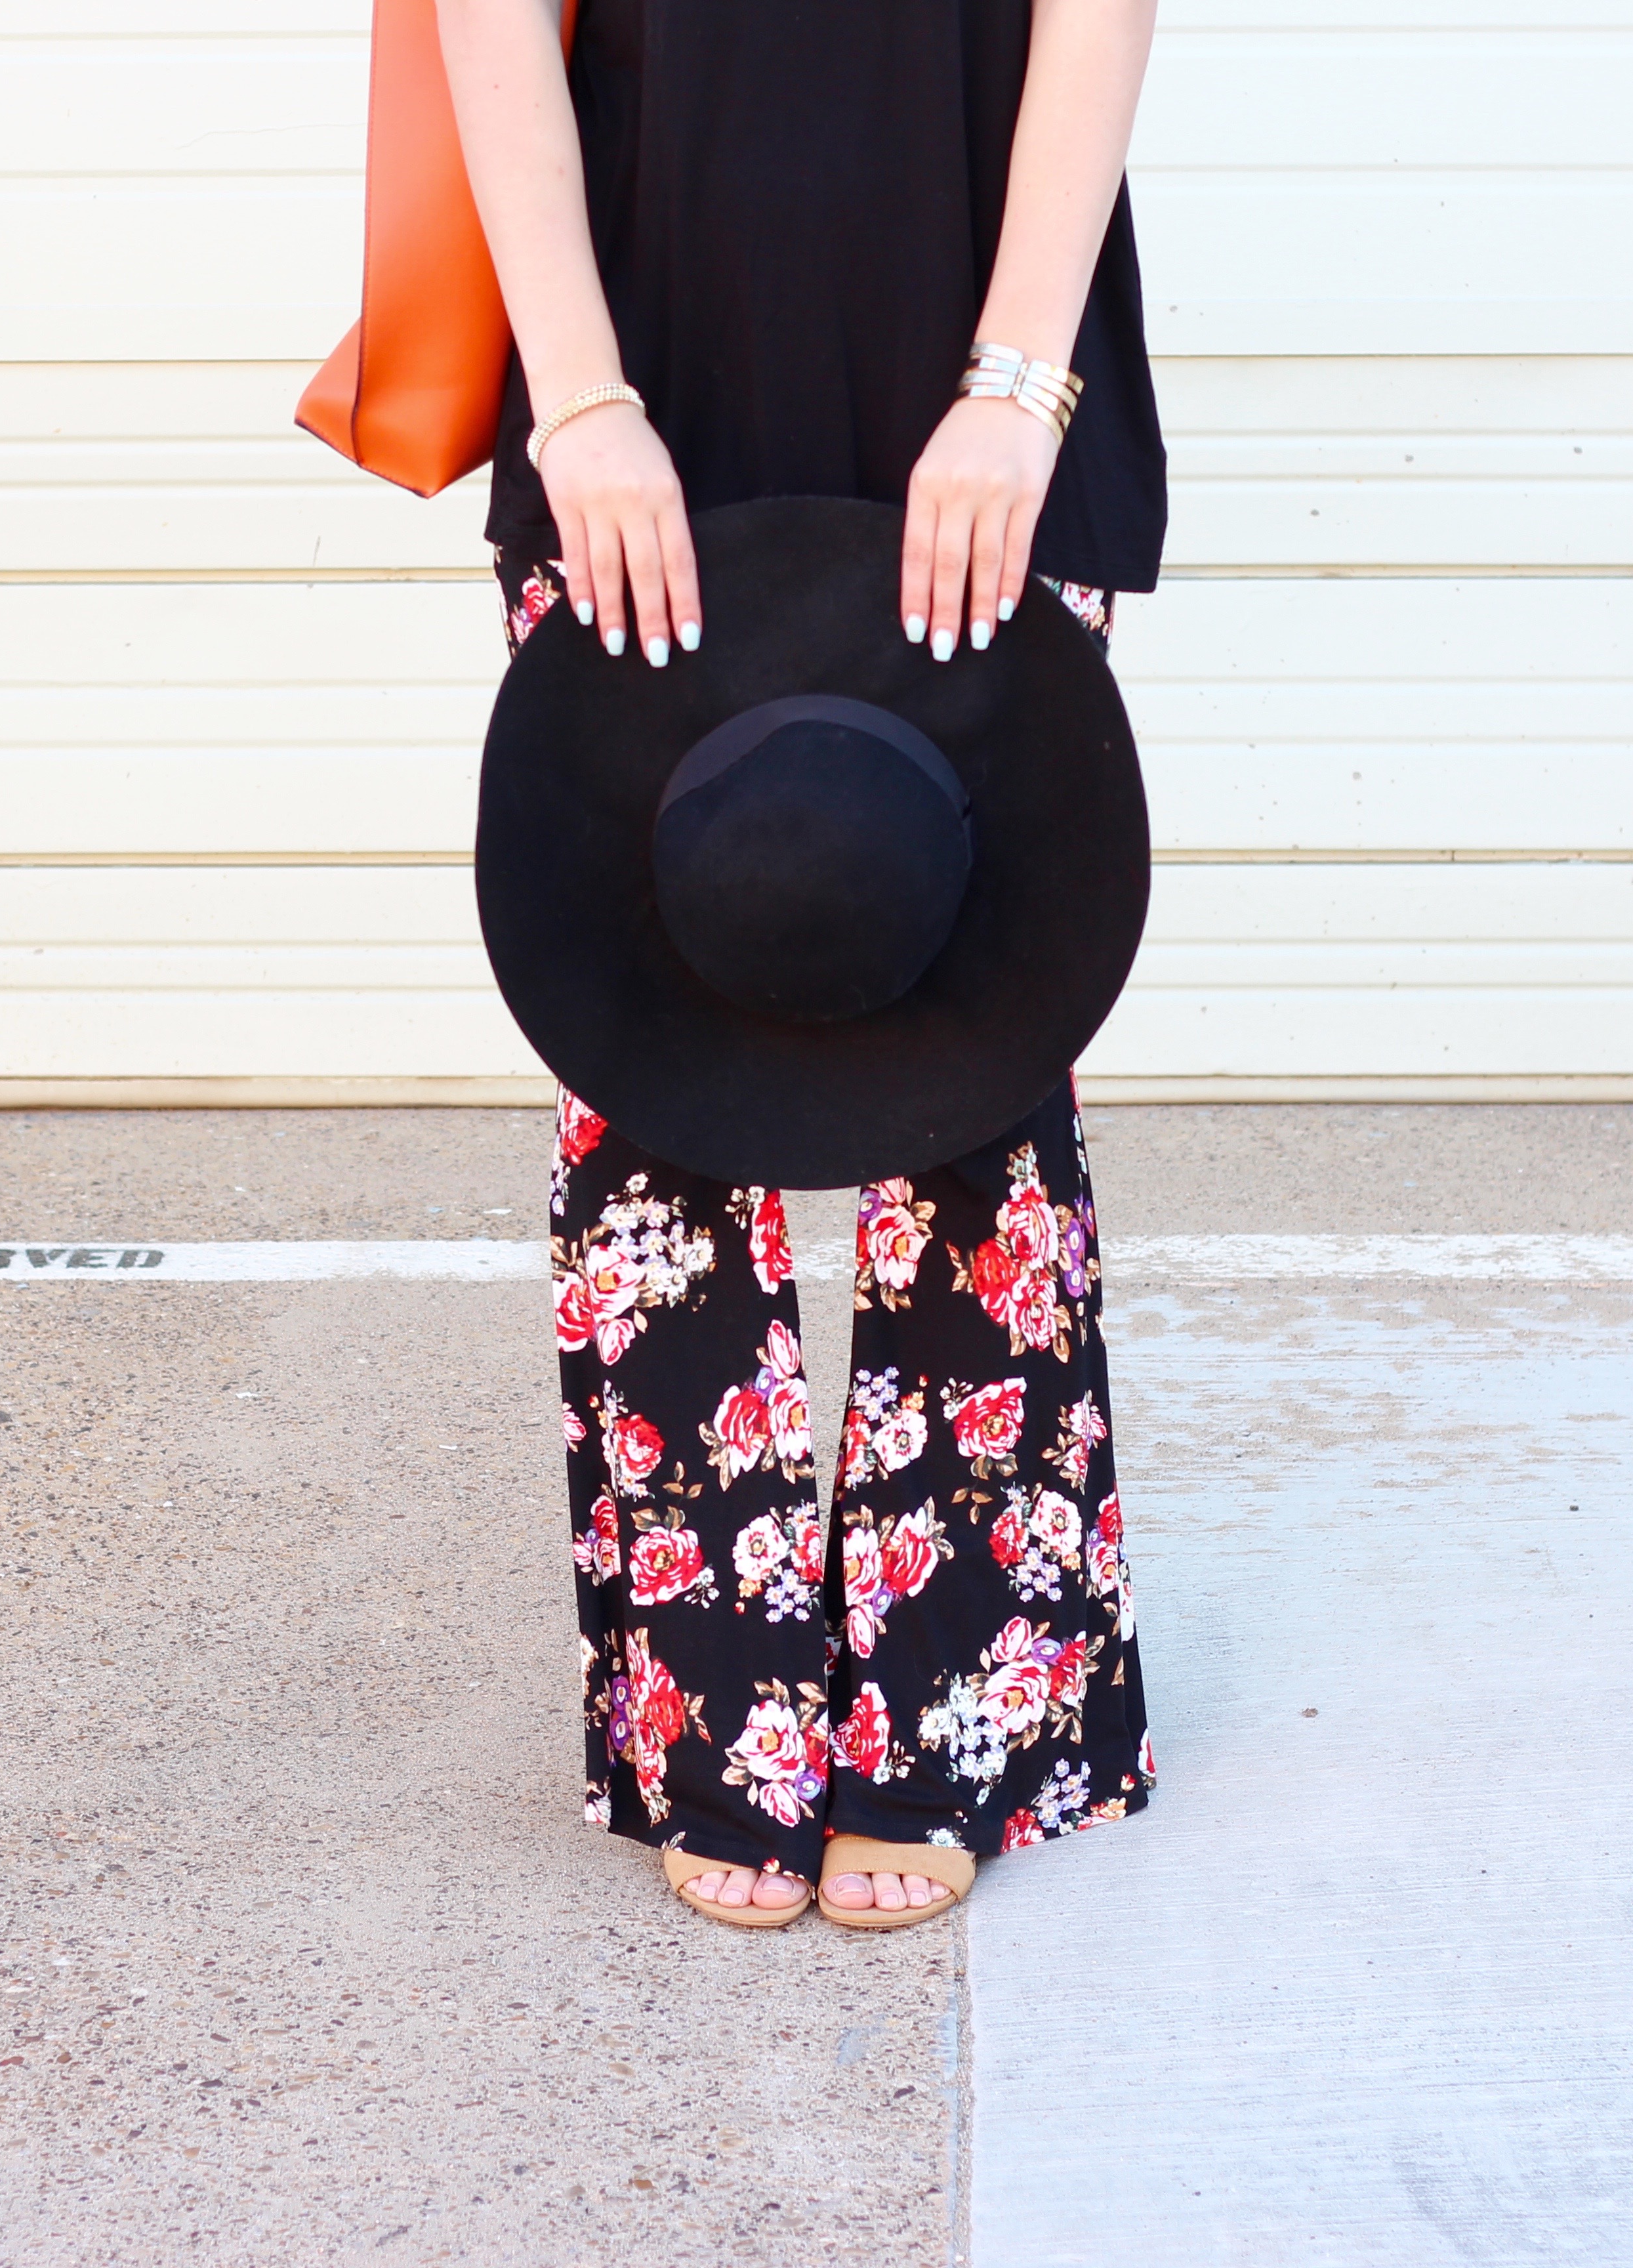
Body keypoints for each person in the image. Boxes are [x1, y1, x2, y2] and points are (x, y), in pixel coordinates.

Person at [441, 0, 1167, 1928]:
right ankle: (719, 1725)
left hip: (985, 358)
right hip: (641, 361)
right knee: (663, 1042)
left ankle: (962, 1717)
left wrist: (1022, 384)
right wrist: (579, 399)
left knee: (968, 1040)